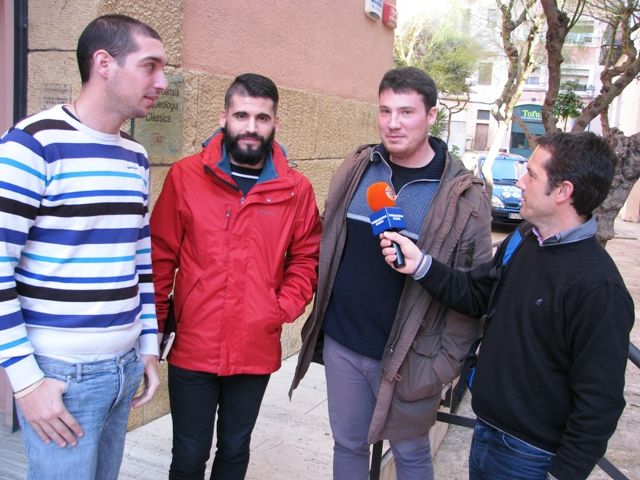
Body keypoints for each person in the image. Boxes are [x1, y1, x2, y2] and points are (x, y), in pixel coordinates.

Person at [380, 131, 635, 480]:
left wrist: (562, 474)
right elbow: (476, 294)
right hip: (485, 431)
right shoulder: (524, 239)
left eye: (531, 174)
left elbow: (600, 402)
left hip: (532, 457)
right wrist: (421, 265)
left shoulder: (599, 288)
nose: (519, 182)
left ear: (563, 191)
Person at [290, 66, 493, 479]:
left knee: (411, 453)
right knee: (348, 445)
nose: (393, 123)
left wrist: (445, 363)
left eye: (406, 112)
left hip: (411, 357)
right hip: (345, 344)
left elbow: (475, 292)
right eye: (385, 111)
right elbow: (328, 239)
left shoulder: (464, 196)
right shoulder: (358, 167)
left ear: (431, 115)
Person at [0, 14, 168, 480]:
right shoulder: (33, 145)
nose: (162, 82)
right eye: (150, 66)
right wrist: (25, 382)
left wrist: (148, 346)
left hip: (124, 370)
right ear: (104, 64)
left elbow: (140, 261)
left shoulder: (136, 156)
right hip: (60, 377)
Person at [151, 72, 321, 480]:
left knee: (234, 449)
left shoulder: (295, 189)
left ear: (275, 123)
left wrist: (277, 309)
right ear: (224, 117)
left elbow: (306, 259)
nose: (251, 127)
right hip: (194, 344)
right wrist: (152, 329)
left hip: (254, 345)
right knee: (188, 455)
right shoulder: (186, 176)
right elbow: (159, 257)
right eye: (241, 115)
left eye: (262, 118)